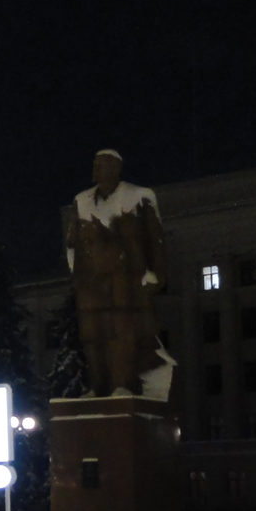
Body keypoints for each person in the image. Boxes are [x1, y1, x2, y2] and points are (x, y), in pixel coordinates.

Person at [63, 149, 170, 396]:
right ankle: (98, 386)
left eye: (101, 165)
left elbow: (155, 239)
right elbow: (72, 244)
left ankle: (123, 384)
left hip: (125, 280)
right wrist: (76, 275)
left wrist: (157, 274)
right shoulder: (82, 200)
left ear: (116, 169)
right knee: (93, 335)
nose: (95, 169)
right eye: (95, 164)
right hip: (91, 284)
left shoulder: (139, 196)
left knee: (121, 331)